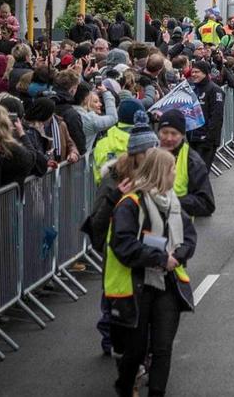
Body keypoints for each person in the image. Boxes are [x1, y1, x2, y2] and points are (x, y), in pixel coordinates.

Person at [106, 147, 197, 397]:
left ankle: (156, 392)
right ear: (162, 172)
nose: (175, 174)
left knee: (162, 347)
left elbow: (188, 236)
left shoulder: (173, 202)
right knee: (135, 349)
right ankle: (124, 386)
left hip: (167, 282)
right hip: (137, 284)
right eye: (172, 169)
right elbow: (122, 244)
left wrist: (178, 255)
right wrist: (159, 258)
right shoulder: (131, 204)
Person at [82, 109, 157, 356]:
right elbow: (98, 219)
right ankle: (110, 340)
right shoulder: (115, 178)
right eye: (148, 151)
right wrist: (105, 245)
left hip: (147, 252)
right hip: (116, 253)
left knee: (145, 305)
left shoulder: (156, 175)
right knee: (113, 301)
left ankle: (142, 349)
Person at [156, 109, 216, 218]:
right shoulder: (149, 155)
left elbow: (207, 204)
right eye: (165, 132)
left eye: (174, 134)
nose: (169, 138)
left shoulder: (193, 160)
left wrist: (172, 202)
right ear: (158, 133)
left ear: (183, 135)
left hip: (180, 226)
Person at [187, 60, 225, 172]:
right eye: (192, 72)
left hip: (206, 140)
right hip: (193, 138)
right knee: (193, 173)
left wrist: (209, 138)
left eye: (197, 72)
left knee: (201, 173)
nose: (193, 74)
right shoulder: (192, 89)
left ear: (205, 73)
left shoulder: (215, 90)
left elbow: (216, 117)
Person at [93, 99, 141, 185]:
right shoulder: (144, 143)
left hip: (106, 193)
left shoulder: (102, 143)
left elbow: (98, 174)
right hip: (135, 194)